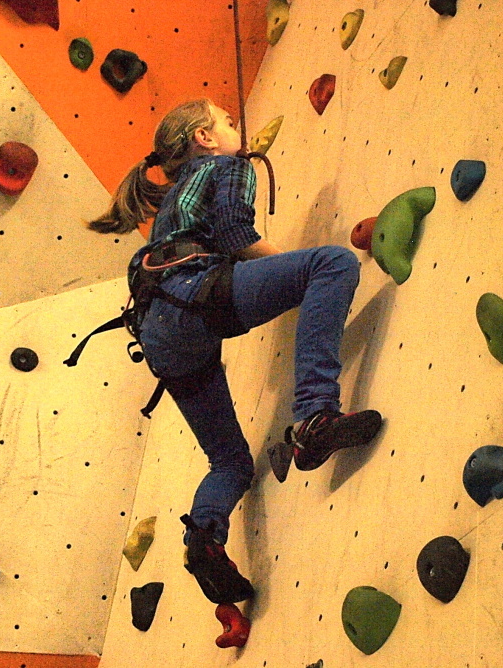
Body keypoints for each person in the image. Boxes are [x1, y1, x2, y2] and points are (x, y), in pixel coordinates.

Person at [89, 98, 382, 605]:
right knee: (332, 264)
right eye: (226, 121)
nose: (234, 126)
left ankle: (204, 540)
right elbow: (235, 236)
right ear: (203, 138)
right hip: (192, 295)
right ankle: (315, 418)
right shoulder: (228, 166)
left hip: (158, 332)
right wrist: (295, 270)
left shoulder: (173, 198)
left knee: (230, 463)